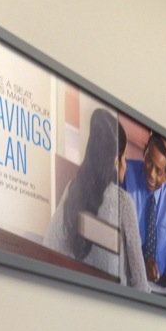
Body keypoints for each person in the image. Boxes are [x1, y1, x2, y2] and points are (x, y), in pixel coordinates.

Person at [44, 109, 149, 291]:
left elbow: (49, 246)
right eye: (125, 158)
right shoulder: (124, 203)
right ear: (116, 161)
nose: (126, 165)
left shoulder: (73, 188)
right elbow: (140, 283)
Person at [122, 132, 166, 289]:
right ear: (144, 154)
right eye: (149, 162)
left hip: (158, 286)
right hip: (124, 273)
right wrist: (139, 263)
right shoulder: (125, 175)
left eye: (159, 171)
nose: (151, 174)